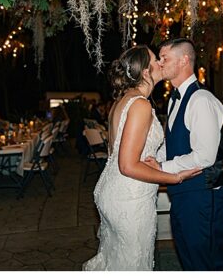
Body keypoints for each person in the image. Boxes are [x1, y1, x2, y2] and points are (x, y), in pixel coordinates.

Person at [84, 46, 201, 271]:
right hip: (130, 197)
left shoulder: (122, 102)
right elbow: (128, 165)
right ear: (146, 72)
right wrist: (174, 177)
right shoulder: (140, 105)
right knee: (133, 264)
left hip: (114, 190)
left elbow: (118, 154)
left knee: (116, 261)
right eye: (156, 59)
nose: (161, 62)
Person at [151, 38, 223, 270]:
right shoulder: (175, 99)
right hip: (183, 195)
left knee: (205, 264)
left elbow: (204, 156)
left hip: (202, 197)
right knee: (190, 263)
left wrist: (162, 169)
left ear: (184, 60)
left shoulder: (201, 100)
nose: (160, 63)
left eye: (165, 58)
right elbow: (173, 141)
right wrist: (157, 160)